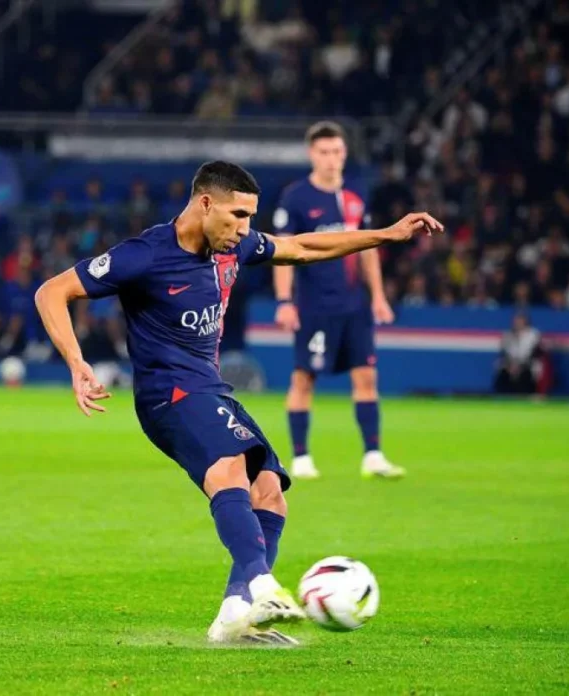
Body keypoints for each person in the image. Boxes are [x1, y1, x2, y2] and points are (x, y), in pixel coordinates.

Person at [34, 161, 442, 646]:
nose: (246, 229)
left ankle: (233, 616)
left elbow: (302, 247)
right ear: (206, 203)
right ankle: (262, 586)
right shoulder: (145, 254)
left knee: (270, 492)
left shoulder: (232, 247)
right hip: (170, 395)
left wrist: (386, 235)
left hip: (210, 389)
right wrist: (77, 362)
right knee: (229, 470)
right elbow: (52, 291)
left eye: (251, 217)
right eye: (239, 215)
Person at [272, 121, 403, 481]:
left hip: (354, 306)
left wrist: (378, 296)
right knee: (304, 378)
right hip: (314, 306)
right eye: (325, 152)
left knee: (366, 376)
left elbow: (368, 249)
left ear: (345, 154)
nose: (332, 159)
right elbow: (281, 251)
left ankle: (373, 455)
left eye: (337, 152)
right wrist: (284, 301)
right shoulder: (296, 197)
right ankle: (301, 457)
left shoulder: (356, 195)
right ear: (312, 154)